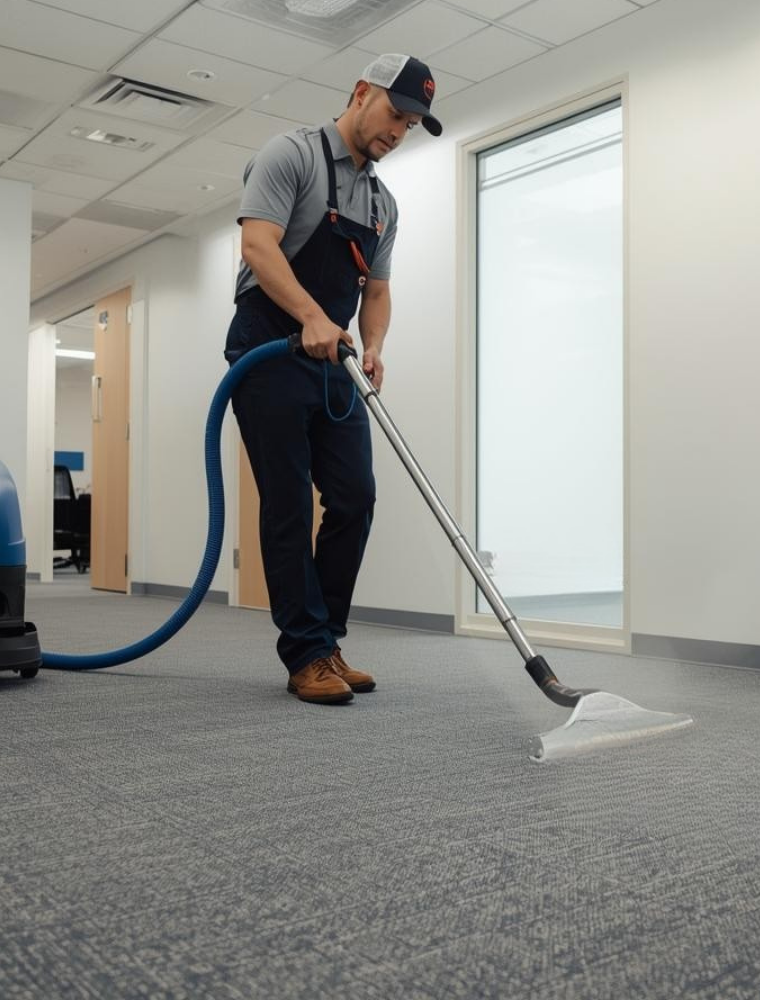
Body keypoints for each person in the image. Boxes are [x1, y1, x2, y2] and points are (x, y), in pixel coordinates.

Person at [224, 54, 443, 705]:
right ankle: (305, 653)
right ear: (360, 93)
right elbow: (259, 246)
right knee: (287, 502)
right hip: (268, 345)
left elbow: (376, 289)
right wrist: (314, 315)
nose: (399, 131)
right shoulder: (290, 155)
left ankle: (327, 641)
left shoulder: (382, 202)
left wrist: (373, 345)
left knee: (355, 497)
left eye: (411, 124)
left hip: (334, 356)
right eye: (395, 114)